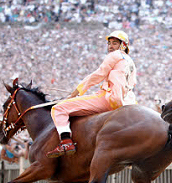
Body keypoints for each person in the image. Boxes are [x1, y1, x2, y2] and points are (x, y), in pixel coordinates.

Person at [46, 30, 137, 158]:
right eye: (109, 43)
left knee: (58, 108)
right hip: (127, 104)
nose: (110, 46)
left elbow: (98, 75)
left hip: (109, 100)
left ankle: (66, 142)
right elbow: (131, 85)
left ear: (123, 46)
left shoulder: (115, 55)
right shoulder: (131, 62)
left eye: (114, 43)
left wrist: (76, 93)